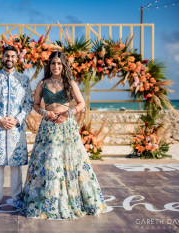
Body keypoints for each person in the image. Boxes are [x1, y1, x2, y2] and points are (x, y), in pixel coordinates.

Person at [19, 51, 107, 219]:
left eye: (59, 63)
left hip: (67, 127)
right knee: (50, 163)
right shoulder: (42, 84)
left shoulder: (70, 83)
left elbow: (81, 103)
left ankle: (71, 199)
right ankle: (48, 201)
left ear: (64, 65)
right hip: (48, 128)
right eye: (53, 63)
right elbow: (36, 105)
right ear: (49, 65)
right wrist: (46, 113)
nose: (56, 66)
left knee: (70, 162)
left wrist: (69, 113)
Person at [0, 45, 33, 209]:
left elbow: (28, 103)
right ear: (2, 57)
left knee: (16, 165)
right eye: (7, 56)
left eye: (12, 56)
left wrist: (17, 119)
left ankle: (17, 197)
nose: (9, 59)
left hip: (16, 129)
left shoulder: (24, 80)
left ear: (17, 59)